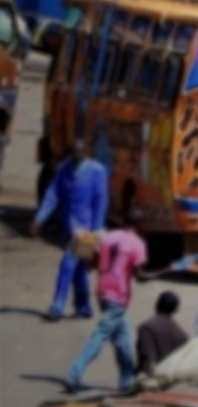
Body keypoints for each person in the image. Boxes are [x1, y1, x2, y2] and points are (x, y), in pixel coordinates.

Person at [63, 205, 188, 392]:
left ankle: (127, 380)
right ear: (139, 224)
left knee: (124, 338)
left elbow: (94, 261)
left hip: (103, 290)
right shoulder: (137, 244)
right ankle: (73, 374)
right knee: (100, 335)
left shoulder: (107, 237)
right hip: (118, 295)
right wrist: (168, 269)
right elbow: (141, 276)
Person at [31, 139, 109, 321]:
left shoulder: (97, 171)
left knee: (67, 264)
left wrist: (97, 229)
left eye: (80, 155)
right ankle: (83, 307)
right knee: (79, 270)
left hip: (86, 230)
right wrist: (39, 218)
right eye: (74, 155)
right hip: (69, 227)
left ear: (86, 153)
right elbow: (52, 195)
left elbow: (101, 200)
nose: (76, 159)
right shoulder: (64, 169)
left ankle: (58, 305)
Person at [137, 291, 189, 377]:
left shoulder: (147, 327)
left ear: (157, 304)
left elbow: (148, 359)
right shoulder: (181, 334)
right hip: (172, 381)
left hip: (152, 380)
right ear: (175, 309)